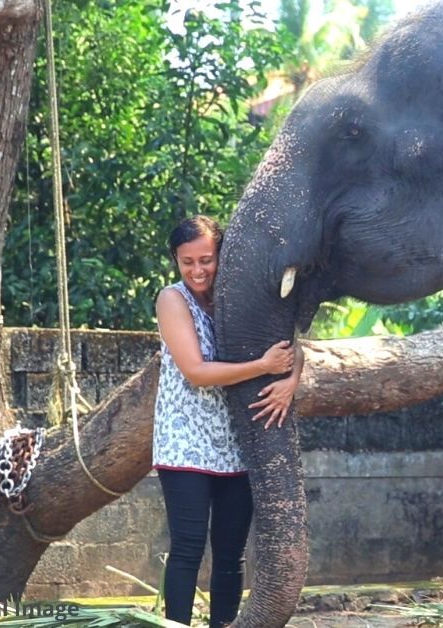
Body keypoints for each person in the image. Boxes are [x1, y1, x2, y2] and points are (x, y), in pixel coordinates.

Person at [153, 215, 303, 627]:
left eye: (206, 259)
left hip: (237, 441)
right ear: (176, 262)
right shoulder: (173, 299)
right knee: (187, 547)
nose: (198, 270)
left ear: (223, 256)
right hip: (184, 442)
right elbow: (196, 372)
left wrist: (290, 379)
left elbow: (290, 343)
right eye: (188, 262)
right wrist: (262, 366)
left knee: (231, 552)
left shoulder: (234, 296)